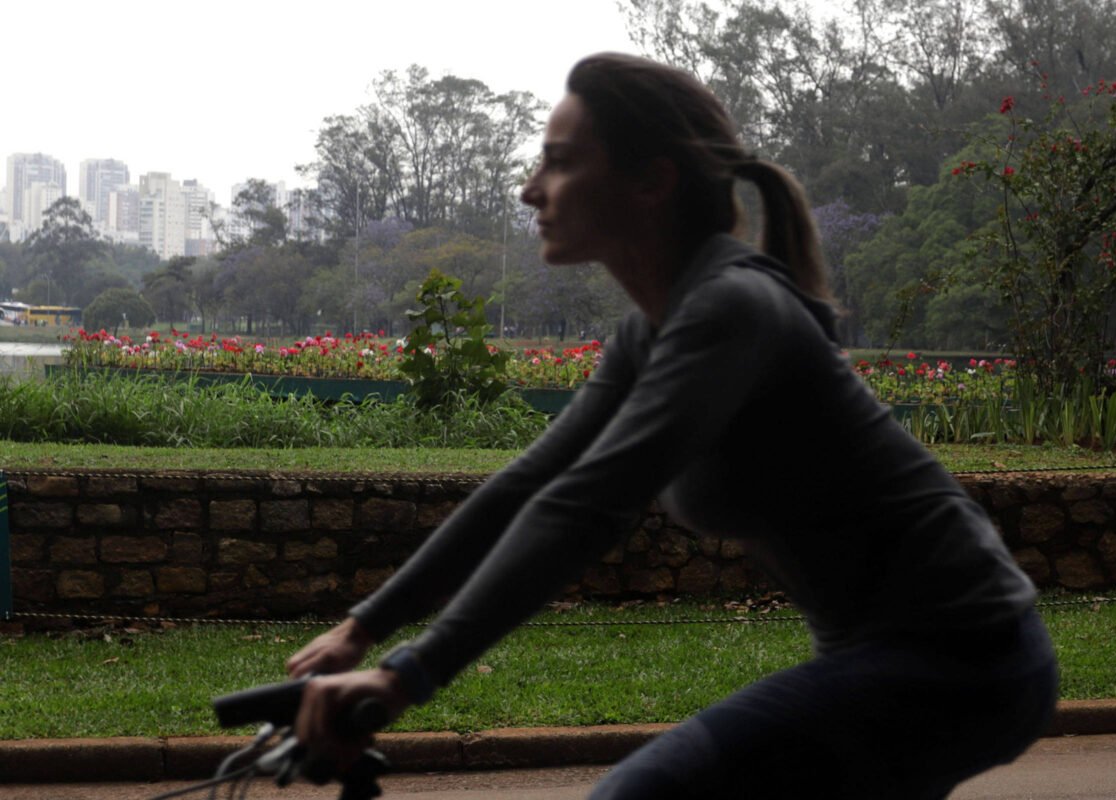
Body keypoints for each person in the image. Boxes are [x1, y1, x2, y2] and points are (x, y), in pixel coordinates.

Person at [288, 52, 1058, 799]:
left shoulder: (732, 308)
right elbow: (532, 483)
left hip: (962, 659)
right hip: (894, 657)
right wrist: (364, 628)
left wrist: (409, 674)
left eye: (558, 162)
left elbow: (588, 505)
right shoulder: (654, 329)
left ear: (651, 181)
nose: (529, 190)